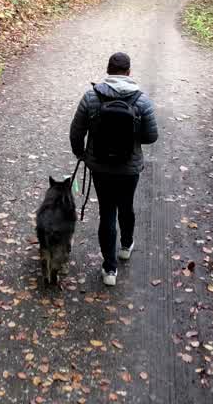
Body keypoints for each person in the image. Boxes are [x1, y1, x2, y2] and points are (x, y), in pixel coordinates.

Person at [69, 52, 158, 286]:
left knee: (107, 212)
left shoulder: (91, 96)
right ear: (129, 72)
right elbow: (151, 136)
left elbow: (76, 131)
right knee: (126, 206)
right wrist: (132, 136)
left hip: (100, 167)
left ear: (108, 70)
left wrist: (81, 153)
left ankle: (109, 269)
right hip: (129, 168)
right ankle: (126, 246)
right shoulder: (142, 100)